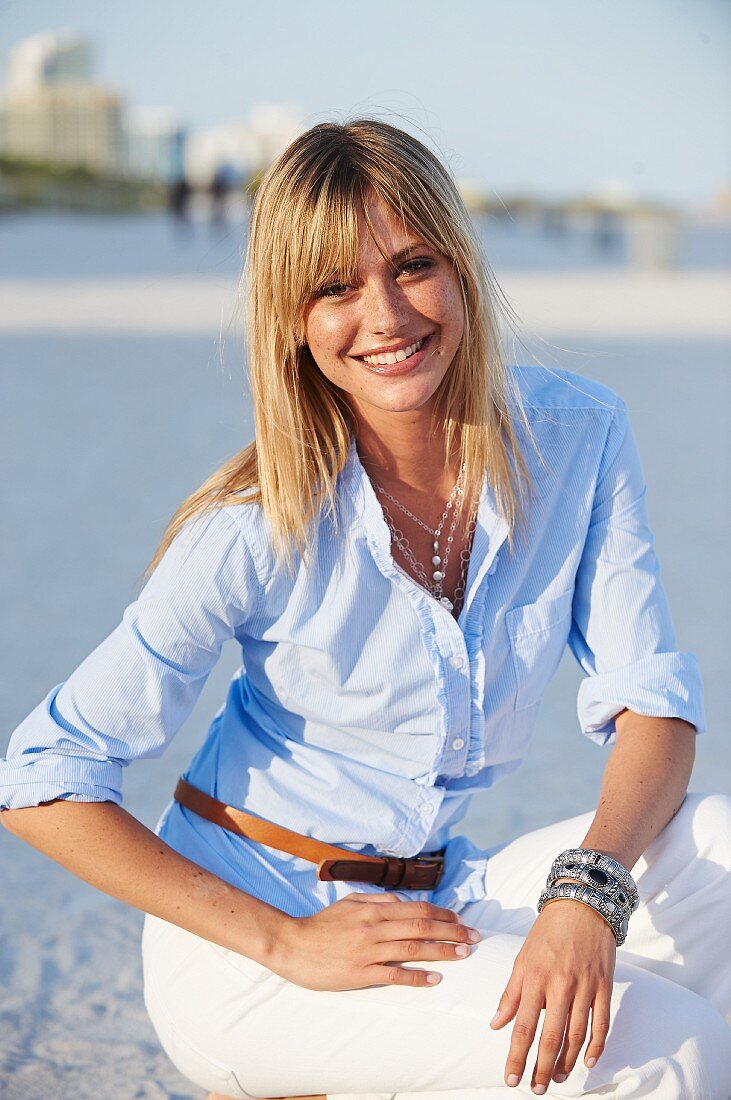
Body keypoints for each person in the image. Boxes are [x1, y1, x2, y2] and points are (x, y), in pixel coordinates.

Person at [1, 119, 730, 1100]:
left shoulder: (578, 436)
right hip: (258, 946)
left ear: (460, 266)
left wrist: (585, 889)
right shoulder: (251, 525)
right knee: (672, 1047)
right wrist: (282, 940)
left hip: (444, 891)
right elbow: (42, 778)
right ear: (291, 321)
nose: (383, 315)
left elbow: (651, 704)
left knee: (720, 845)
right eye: (335, 287)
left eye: (412, 265)